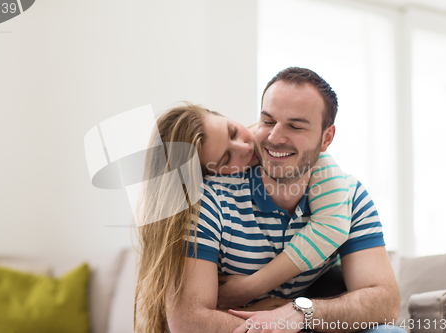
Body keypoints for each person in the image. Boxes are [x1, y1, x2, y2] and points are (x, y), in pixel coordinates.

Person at [166, 67, 404, 333]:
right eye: (268, 121)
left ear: (326, 138)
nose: (273, 138)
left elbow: (385, 302)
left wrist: (295, 313)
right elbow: (189, 321)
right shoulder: (210, 201)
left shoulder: (348, 195)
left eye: (295, 126)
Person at [133, 101, 355, 332]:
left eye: (233, 131)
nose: (244, 148)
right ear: (212, 178)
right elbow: (193, 318)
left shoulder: (301, 153)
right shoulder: (209, 204)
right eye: (226, 159)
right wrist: (265, 311)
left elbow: (333, 226)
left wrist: (252, 288)